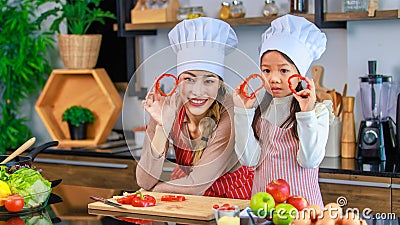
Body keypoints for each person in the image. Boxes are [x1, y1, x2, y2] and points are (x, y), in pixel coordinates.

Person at [136, 17, 254, 199]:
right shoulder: (168, 105)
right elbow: (144, 180)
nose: (197, 91)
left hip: (231, 199)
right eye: (189, 79)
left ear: (219, 84)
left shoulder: (230, 111)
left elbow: (195, 186)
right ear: (177, 81)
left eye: (208, 81)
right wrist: (161, 126)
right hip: (187, 199)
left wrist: (152, 192)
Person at [233, 15, 334, 207]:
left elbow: (309, 160)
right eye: (267, 70)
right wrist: (242, 112)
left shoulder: (318, 112)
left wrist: (306, 113)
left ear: (300, 73)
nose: (274, 79)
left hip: (304, 213)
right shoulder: (259, 111)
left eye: (284, 70)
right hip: (264, 212)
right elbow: (249, 160)